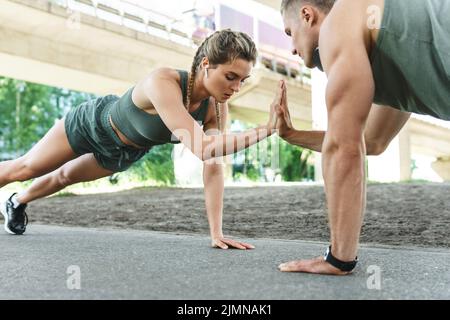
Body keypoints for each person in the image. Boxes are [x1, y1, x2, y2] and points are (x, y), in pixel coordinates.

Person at [0, 29, 283, 251]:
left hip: (126, 152)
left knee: (64, 178)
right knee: (25, 168)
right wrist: (266, 129)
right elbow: (201, 147)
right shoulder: (164, 81)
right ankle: (15, 191)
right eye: (230, 77)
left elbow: (212, 161)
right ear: (207, 64)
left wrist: (216, 233)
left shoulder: (215, 107)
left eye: (242, 81)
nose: (235, 88)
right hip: (93, 124)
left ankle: (16, 202)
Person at [275, 0, 450, 275]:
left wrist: (338, 259)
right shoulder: (386, 50)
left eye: (289, 33)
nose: (293, 48)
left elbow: (345, 147)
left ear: (307, 15)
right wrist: (292, 135)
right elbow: (372, 140)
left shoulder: (340, 21)